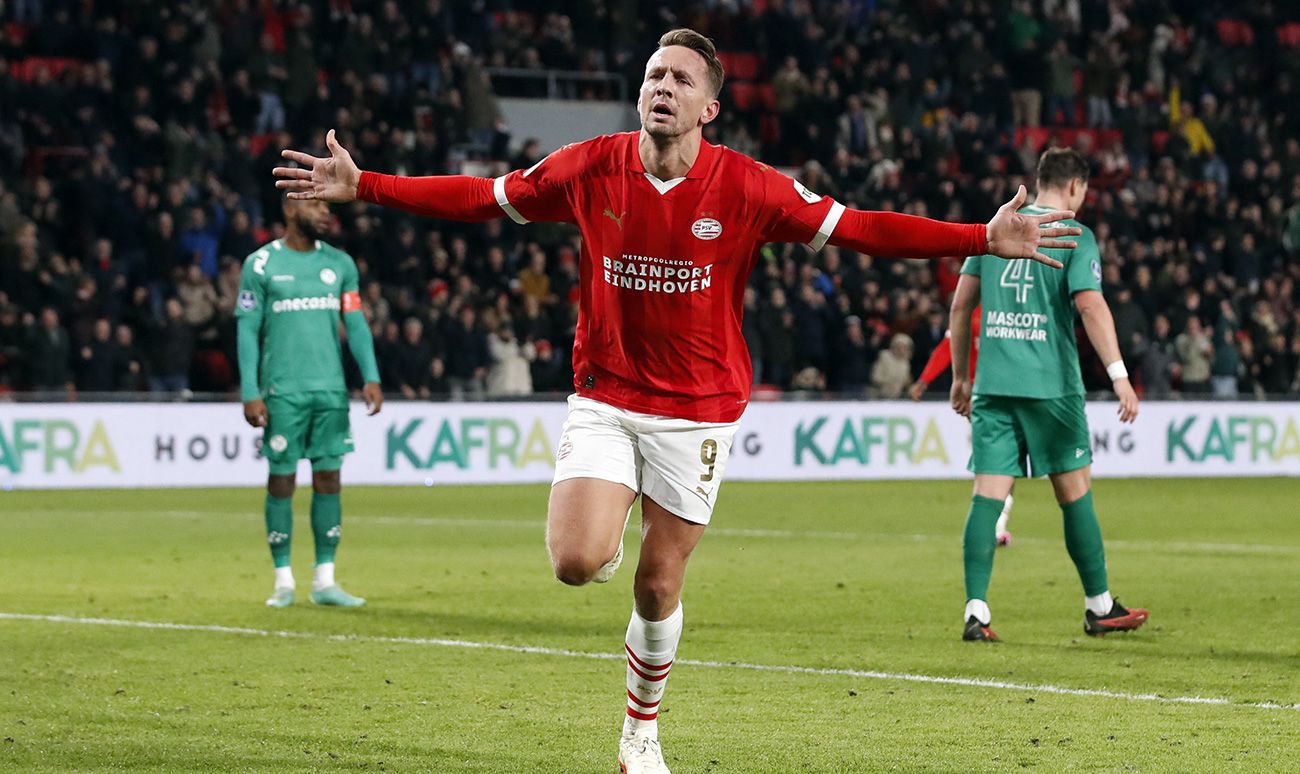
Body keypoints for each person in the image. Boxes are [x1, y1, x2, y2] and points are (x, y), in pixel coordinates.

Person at [274, 29, 1077, 773]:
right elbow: (482, 198)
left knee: (659, 586)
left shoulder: (750, 187)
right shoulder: (590, 166)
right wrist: (369, 186)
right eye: (654, 74)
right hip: (607, 393)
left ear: (708, 107)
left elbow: (861, 225)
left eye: (680, 78)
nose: (662, 85)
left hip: (699, 409)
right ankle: (607, 524)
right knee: (575, 562)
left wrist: (978, 237)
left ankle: (641, 730)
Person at [949, 148, 1148, 643]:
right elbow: (1091, 306)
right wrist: (1119, 375)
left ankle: (976, 611)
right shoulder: (1074, 233)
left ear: (1041, 181)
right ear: (1077, 185)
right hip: (1051, 387)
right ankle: (1099, 606)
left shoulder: (995, 228)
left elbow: (959, 308)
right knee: (1074, 493)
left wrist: (959, 377)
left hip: (994, 384)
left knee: (987, 497)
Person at [236, 196, 383, 609]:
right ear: (289, 209)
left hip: (330, 392)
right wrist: (251, 391)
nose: (326, 214)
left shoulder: (340, 264)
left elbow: (355, 323)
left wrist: (370, 375)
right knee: (282, 480)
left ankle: (325, 580)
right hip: (283, 392)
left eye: (328, 208)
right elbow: (247, 331)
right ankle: (283, 580)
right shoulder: (260, 265)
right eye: (317, 206)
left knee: (329, 480)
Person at [910, 305, 1014, 547]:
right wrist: (925, 380)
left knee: (998, 458)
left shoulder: (999, 305)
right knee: (999, 457)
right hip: (983, 393)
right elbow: (947, 349)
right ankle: (996, 524)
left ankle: (995, 522)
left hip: (1004, 390)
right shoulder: (973, 310)